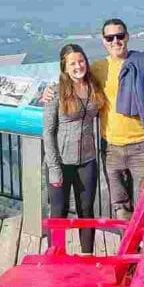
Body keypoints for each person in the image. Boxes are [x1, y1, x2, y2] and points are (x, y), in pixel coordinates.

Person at [46, 17, 144, 220]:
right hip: (111, 148)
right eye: (110, 37)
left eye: (119, 36)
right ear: (103, 41)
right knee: (120, 207)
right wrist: (49, 90)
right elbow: (73, 76)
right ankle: (128, 248)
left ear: (127, 37)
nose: (115, 41)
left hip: (143, 146)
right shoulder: (97, 69)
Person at [42, 43, 104, 253]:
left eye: (81, 61)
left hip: (87, 160)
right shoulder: (56, 93)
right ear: (64, 68)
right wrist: (54, 168)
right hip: (60, 162)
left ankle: (87, 255)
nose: (78, 66)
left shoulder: (95, 87)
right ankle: (55, 257)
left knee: (86, 210)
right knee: (58, 213)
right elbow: (48, 132)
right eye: (72, 63)